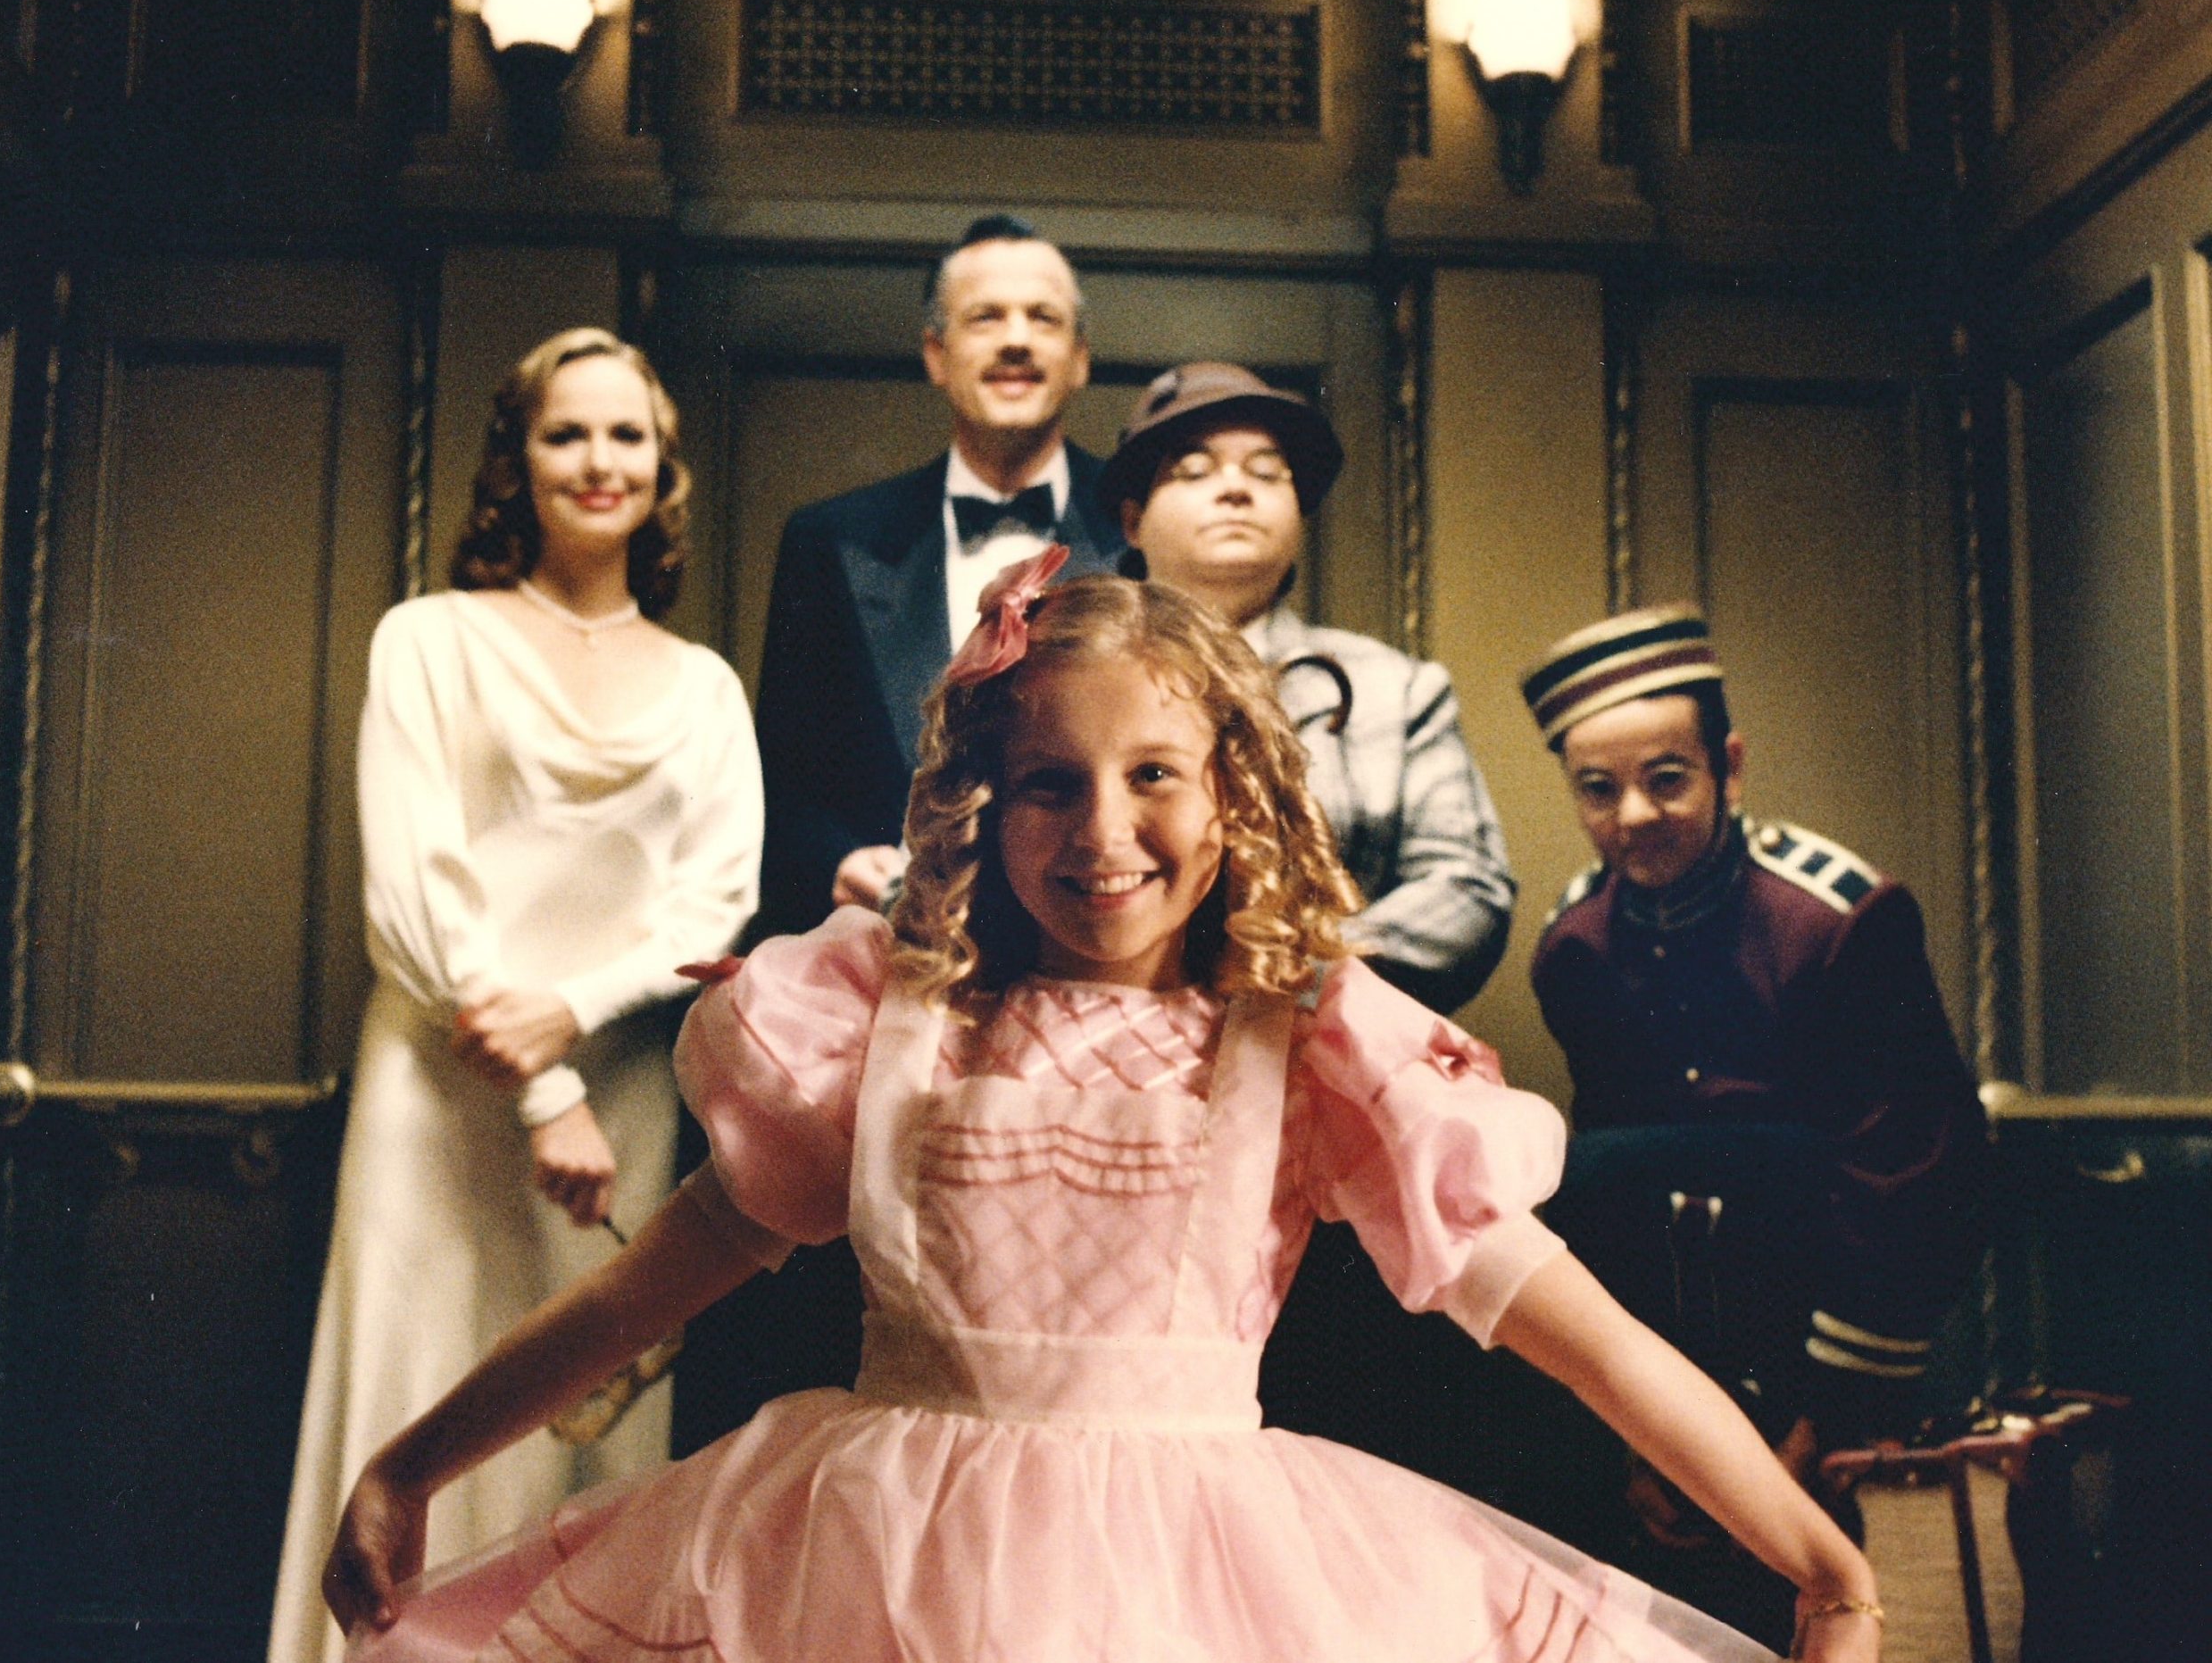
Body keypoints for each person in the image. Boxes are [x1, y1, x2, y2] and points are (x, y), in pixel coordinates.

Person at [320, 556, 1884, 1663]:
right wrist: (408, 1465)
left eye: (1155, 776)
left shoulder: (1310, 1038)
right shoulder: (881, 1006)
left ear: (1234, 798)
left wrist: (1813, 1555)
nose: (1105, 834)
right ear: (985, 805)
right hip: (870, 1566)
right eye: (1051, 784)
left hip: (1203, 1581)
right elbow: (640, 1287)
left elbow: (1584, 1333)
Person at [266, 329, 762, 1663]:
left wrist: (577, 1021)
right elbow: (415, 893)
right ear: (517, 461)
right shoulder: (430, 642)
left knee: (584, 1423)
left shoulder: (707, 686)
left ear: (664, 469)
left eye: (626, 435)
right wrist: (537, 1083)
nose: (598, 461)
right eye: (566, 434)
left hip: (624, 1097)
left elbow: (714, 902)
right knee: (418, 1388)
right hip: (442, 1090)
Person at [1519, 604, 1986, 1648]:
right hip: (1666, 1376)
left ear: (1728, 765)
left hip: (1834, 1362)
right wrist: (1645, 1430)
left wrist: (1822, 1420)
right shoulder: (1575, 946)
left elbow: (1909, 1180)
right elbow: (1609, 1205)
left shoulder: (1834, 921)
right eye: (1597, 788)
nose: (1633, 813)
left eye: (1667, 776)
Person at [1103, 361, 1513, 1016]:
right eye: (1194, 470)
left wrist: (1302, 969)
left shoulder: (1397, 689)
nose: (1235, 489)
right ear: (1132, 521)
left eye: (1267, 472)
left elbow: (1467, 886)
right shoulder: (1068, 686)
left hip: (1327, 1051)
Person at [753, 212, 1119, 939]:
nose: (1016, 337)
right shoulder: (830, 540)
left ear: (1079, 358)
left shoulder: (1143, 531)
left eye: (1042, 318)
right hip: (894, 955)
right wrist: (835, 863)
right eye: (986, 316)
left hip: (1096, 946)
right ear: (936, 354)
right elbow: (779, 787)